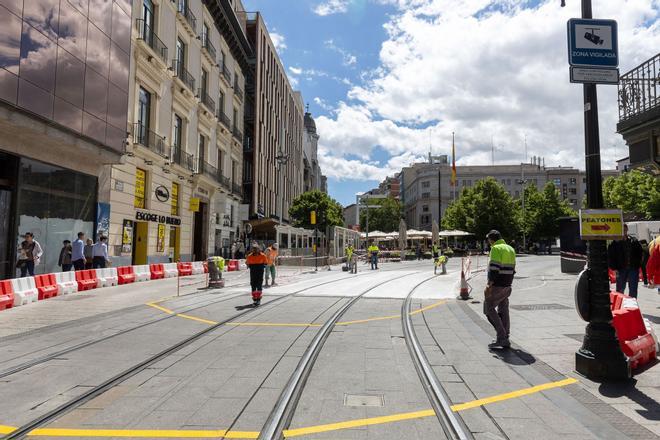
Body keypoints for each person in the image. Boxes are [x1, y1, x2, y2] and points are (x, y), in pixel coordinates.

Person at [484, 230, 516, 349]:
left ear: (491, 239)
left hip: (497, 285)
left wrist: (489, 284)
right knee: (504, 309)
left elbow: (494, 268)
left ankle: (502, 337)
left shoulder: (496, 248)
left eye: (488, 240)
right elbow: (513, 269)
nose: (488, 242)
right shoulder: (510, 249)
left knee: (489, 308)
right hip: (507, 284)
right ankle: (505, 336)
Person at [607, 224, 643, 298]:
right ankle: (619, 306)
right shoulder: (614, 243)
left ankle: (632, 306)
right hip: (620, 269)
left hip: (633, 268)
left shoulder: (634, 241)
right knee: (620, 289)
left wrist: (638, 264)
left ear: (627, 230)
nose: (624, 232)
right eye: (622, 230)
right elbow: (610, 256)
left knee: (633, 289)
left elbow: (640, 253)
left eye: (625, 230)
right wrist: (614, 268)